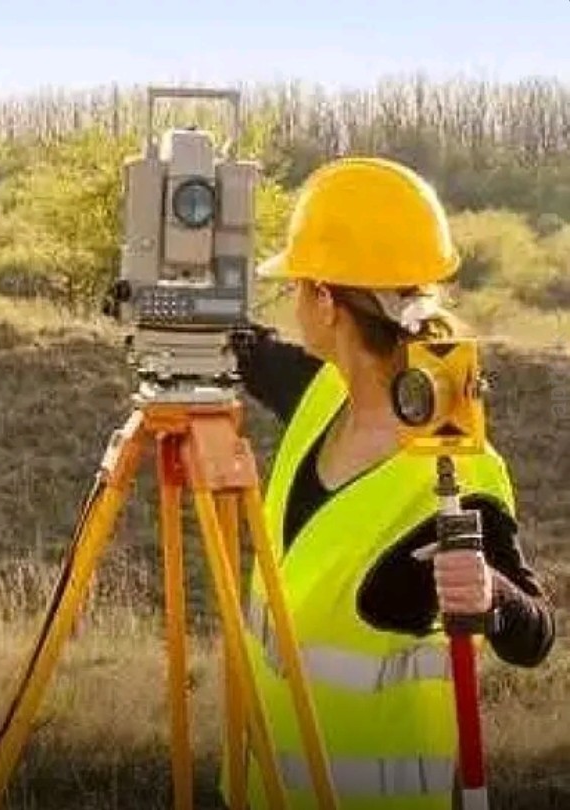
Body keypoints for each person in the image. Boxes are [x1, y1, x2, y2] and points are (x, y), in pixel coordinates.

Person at [221, 157, 555, 810]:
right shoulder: (319, 394)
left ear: (325, 301)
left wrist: (493, 597)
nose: (291, 301)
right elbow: (247, 348)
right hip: (273, 790)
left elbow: (535, 635)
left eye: (296, 285)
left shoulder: (458, 473)